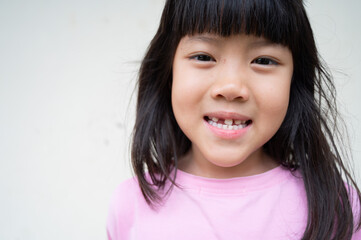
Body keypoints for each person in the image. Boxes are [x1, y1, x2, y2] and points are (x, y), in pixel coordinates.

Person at [107, 0, 361, 239]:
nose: (231, 87)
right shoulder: (131, 205)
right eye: (204, 56)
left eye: (263, 61)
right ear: (168, 70)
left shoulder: (336, 207)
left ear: (295, 81)